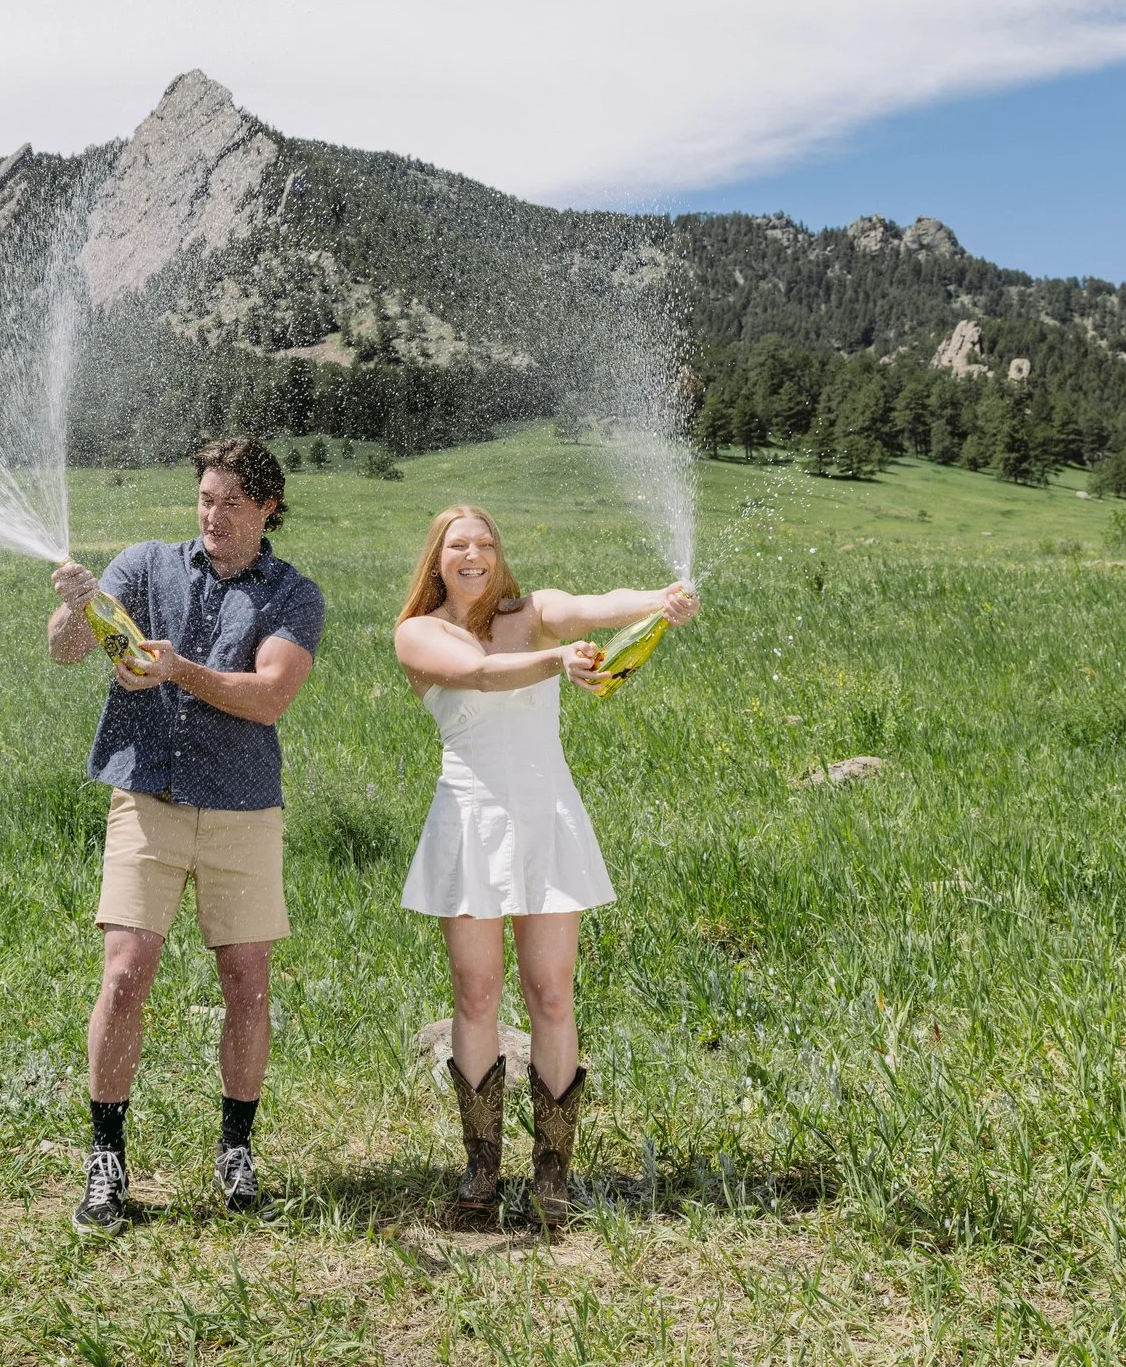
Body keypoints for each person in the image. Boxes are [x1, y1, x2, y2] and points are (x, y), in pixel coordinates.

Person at [48, 438, 325, 1236]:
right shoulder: (142, 566)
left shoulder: (292, 595)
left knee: (247, 982)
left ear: (268, 507)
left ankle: (236, 1149)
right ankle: (106, 1157)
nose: (213, 515)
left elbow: (271, 696)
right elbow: (69, 653)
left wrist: (178, 670)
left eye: (232, 502)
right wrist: (78, 606)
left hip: (243, 806)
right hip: (147, 796)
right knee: (126, 972)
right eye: (205, 498)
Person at [392, 505, 697, 1228]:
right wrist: (557, 660)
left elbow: (596, 607)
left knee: (552, 994)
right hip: (470, 818)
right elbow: (480, 674)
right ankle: (480, 1171)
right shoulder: (418, 633)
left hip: (547, 817)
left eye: (487, 543)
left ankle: (554, 1175)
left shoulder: (533, 611)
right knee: (476, 993)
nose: (475, 555)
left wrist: (661, 600)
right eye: (459, 545)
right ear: (437, 557)